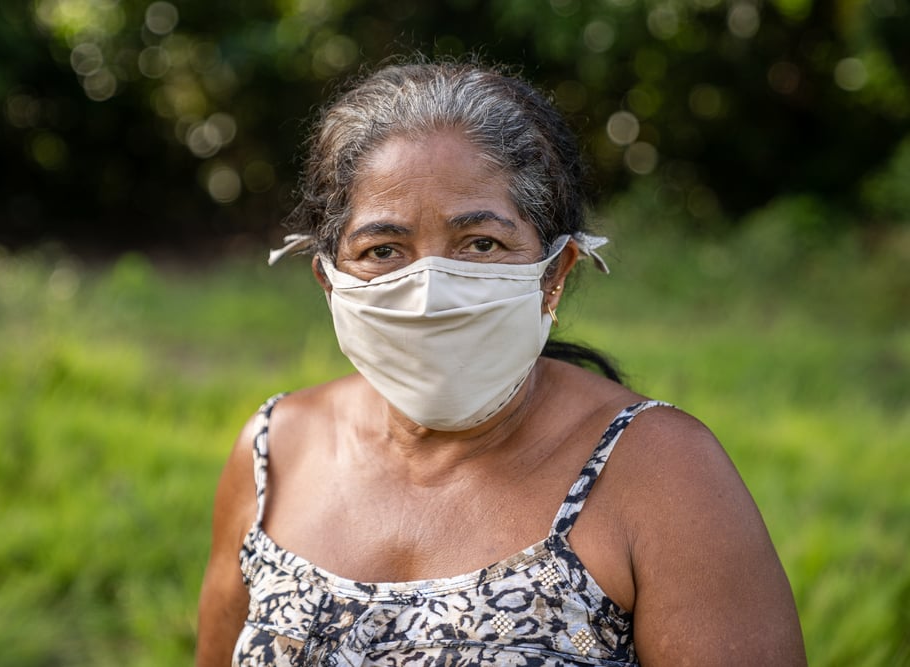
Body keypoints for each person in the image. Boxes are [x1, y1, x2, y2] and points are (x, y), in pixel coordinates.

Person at [196, 59, 807, 667]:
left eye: (481, 244)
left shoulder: (664, 475)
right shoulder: (274, 454)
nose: (430, 293)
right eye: (383, 249)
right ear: (329, 281)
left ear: (555, 275)